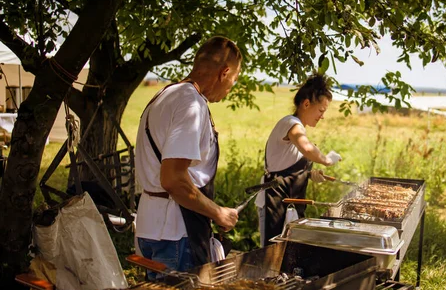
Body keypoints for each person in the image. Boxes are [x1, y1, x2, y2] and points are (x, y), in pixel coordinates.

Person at [135, 36, 242, 277]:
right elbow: (173, 180)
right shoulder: (191, 104)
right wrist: (218, 213)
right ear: (225, 72)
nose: (229, 89)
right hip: (176, 233)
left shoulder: (165, 95)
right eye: (233, 81)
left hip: (149, 227)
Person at [257, 73, 342, 246]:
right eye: (321, 110)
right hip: (274, 199)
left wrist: (310, 174)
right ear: (306, 104)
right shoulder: (291, 124)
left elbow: (287, 166)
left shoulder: (297, 126)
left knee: (288, 251)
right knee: (272, 250)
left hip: (290, 201)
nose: (322, 116)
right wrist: (326, 160)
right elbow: (307, 148)